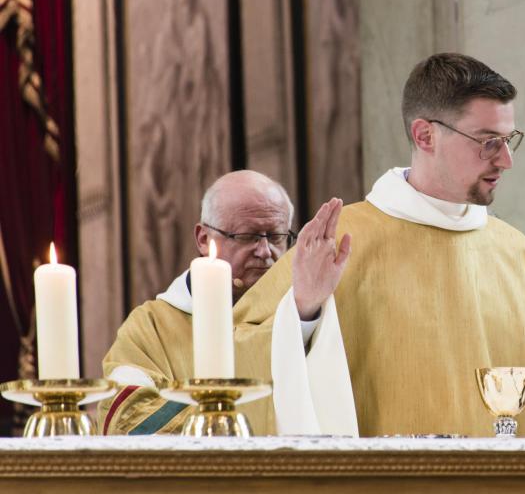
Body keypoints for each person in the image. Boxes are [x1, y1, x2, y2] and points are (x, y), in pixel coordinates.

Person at [245, 53, 525, 438]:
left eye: (510, 140)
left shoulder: (520, 257)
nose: (506, 160)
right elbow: (243, 370)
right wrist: (303, 312)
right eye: (489, 141)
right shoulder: (336, 247)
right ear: (426, 135)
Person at [99, 170, 357, 436]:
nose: (265, 251)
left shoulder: (310, 311)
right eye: (248, 236)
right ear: (203, 239)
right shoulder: (150, 329)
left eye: (276, 236)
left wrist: (303, 315)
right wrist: (220, 422)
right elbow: (127, 419)